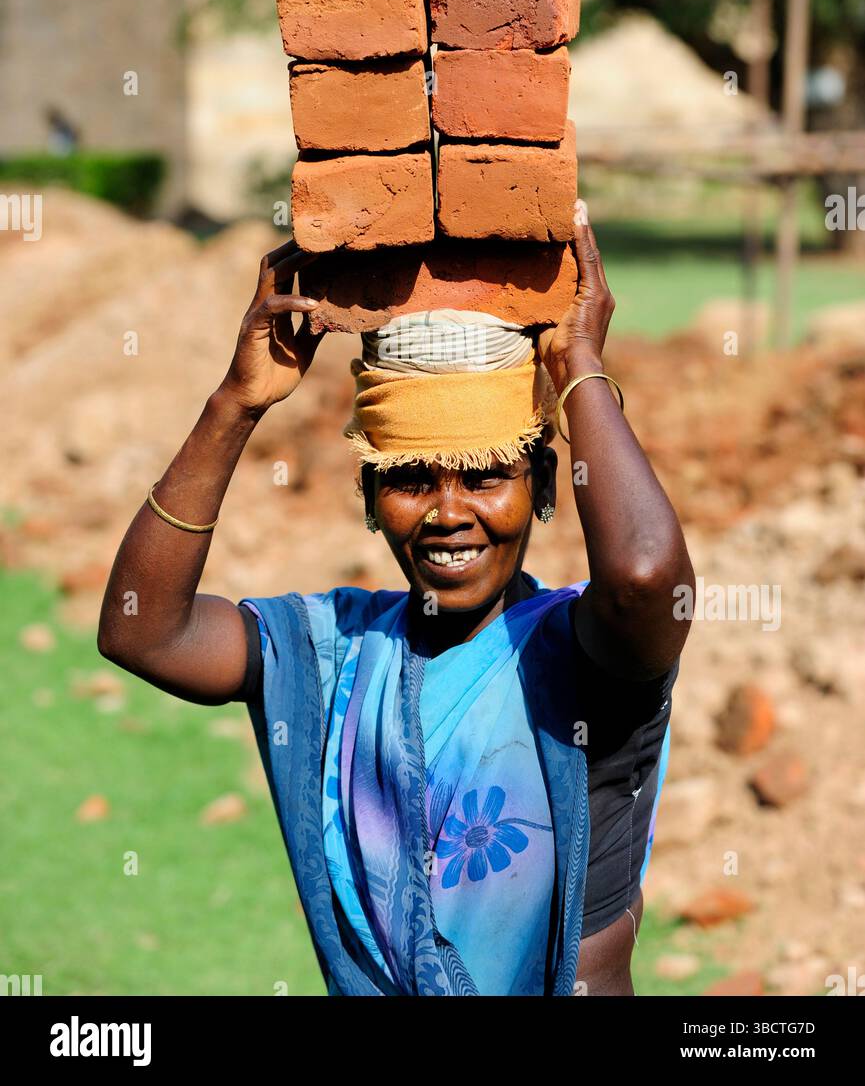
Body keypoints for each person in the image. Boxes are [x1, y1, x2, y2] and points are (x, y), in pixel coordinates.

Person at [98, 201, 694, 996]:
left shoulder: (585, 656)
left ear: (545, 486)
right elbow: (143, 632)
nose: (449, 513)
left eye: (485, 474)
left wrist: (577, 367)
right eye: (410, 479)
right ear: (369, 496)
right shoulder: (338, 652)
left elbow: (648, 574)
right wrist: (234, 405)